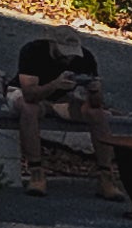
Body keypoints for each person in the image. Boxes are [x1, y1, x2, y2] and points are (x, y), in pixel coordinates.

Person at [13, 33, 119, 199]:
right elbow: (29, 95)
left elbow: (96, 103)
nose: (68, 58)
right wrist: (55, 84)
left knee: (97, 114)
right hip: (31, 96)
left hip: (62, 100)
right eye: (64, 52)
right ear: (53, 44)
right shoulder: (33, 51)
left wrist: (94, 90)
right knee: (29, 109)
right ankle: (36, 171)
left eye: (72, 53)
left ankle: (105, 175)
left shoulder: (85, 58)